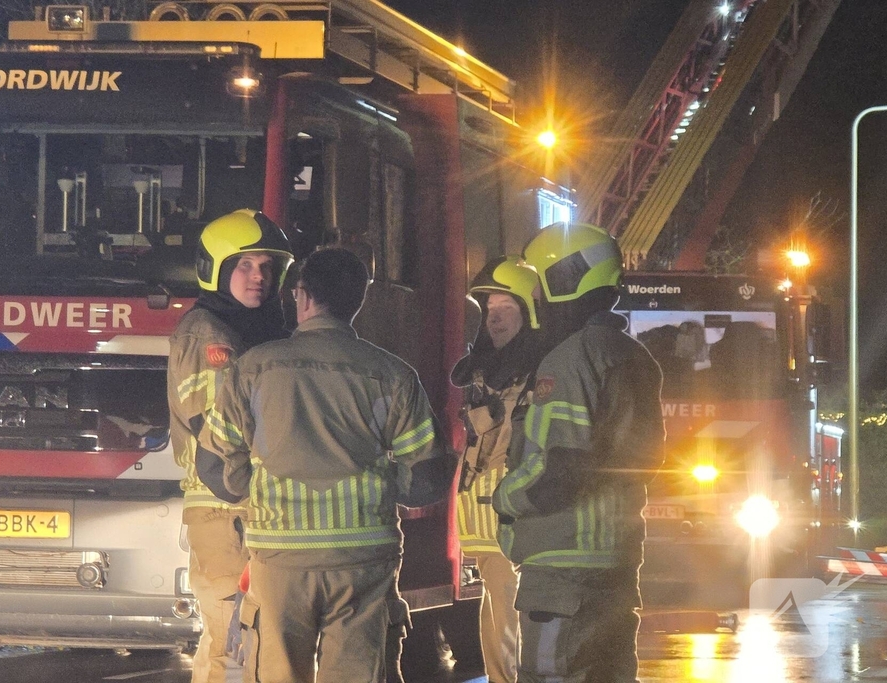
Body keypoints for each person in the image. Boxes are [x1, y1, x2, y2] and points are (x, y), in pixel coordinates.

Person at [198, 247, 451, 683]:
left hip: (280, 561)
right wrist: (384, 483)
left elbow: (216, 469)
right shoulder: (393, 374)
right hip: (363, 563)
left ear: (301, 296)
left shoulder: (253, 368)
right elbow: (426, 480)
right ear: (358, 300)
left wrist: (252, 482)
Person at [493, 223, 665, 683]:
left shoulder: (571, 359)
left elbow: (560, 470)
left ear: (565, 279)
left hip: (564, 570)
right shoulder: (632, 356)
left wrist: (504, 497)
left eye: (540, 283)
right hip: (615, 561)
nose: (536, 299)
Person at [167, 209, 293, 683]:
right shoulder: (209, 333)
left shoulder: (255, 331)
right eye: (244, 265)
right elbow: (219, 433)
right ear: (216, 269)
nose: (258, 277)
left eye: (266, 267)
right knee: (235, 645)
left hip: (241, 512)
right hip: (227, 512)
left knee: (227, 644)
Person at [451, 256, 541, 683]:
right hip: (490, 520)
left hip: (520, 515)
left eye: (506, 309)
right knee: (501, 608)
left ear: (528, 312)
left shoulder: (539, 369)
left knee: (510, 610)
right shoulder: (477, 368)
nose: (494, 319)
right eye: (487, 310)